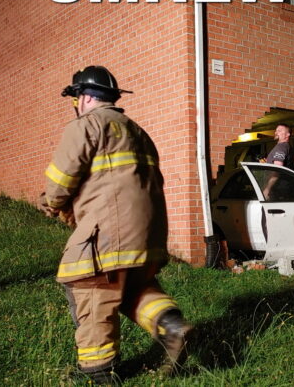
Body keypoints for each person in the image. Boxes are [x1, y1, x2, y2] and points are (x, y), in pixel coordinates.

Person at [40, 66, 191, 383]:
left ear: (82, 97)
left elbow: (61, 178)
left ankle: (99, 373)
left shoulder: (87, 124)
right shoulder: (138, 131)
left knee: (90, 288)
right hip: (149, 233)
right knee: (134, 287)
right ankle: (172, 326)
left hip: (109, 232)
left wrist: (50, 203)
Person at [261, 123, 294, 199]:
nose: (276, 133)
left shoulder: (281, 147)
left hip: (277, 190)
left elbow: (277, 169)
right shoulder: (287, 147)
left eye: (280, 131)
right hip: (283, 189)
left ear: (287, 135)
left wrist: (267, 189)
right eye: (276, 131)